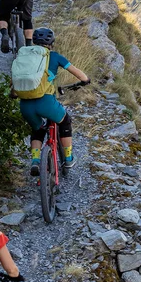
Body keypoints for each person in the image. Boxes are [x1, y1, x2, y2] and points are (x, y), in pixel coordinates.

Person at [13, 27, 91, 175]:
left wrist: (14, 94)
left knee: (38, 129)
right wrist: (85, 80)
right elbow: (78, 74)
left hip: (25, 105)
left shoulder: (23, 57)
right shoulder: (54, 56)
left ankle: (35, 161)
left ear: (34, 41)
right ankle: (68, 158)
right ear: (51, 43)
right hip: (46, 102)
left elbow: (15, 81)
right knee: (65, 120)